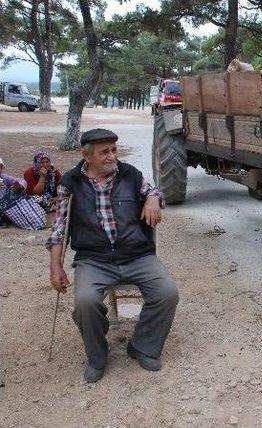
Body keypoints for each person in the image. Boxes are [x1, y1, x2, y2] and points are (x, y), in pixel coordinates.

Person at [47, 128, 179, 383]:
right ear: (87, 156)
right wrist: (56, 267)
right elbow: (59, 230)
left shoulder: (130, 174)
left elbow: (153, 191)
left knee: (167, 293)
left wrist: (152, 198)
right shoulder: (70, 183)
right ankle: (97, 355)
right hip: (93, 260)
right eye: (104, 152)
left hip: (137, 255)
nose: (112, 156)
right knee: (85, 303)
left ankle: (143, 345)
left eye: (114, 150)